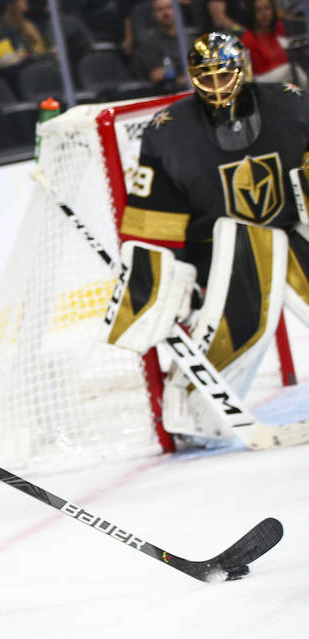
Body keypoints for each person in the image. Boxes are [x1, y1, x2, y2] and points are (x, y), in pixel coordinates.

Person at [112, 32, 309, 441]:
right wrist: (165, 281)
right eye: (207, 77)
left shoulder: (291, 103)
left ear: (244, 70)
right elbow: (153, 223)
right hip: (214, 254)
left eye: (224, 76)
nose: (217, 86)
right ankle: (194, 415)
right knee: (240, 321)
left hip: (288, 233)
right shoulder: (168, 132)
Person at [129, 0, 191, 93]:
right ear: (154, 14)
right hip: (168, 94)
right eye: (160, 10)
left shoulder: (190, 39)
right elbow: (157, 76)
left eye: (169, 7)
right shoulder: (150, 44)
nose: (166, 13)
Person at [241, 0, 301, 83]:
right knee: (290, 70)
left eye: (267, 8)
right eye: (258, 10)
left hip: (284, 73)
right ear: (252, 13)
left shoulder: (278, 27)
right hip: (262, 78)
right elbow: (258, 70)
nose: (264, 14)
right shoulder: (248, 38)